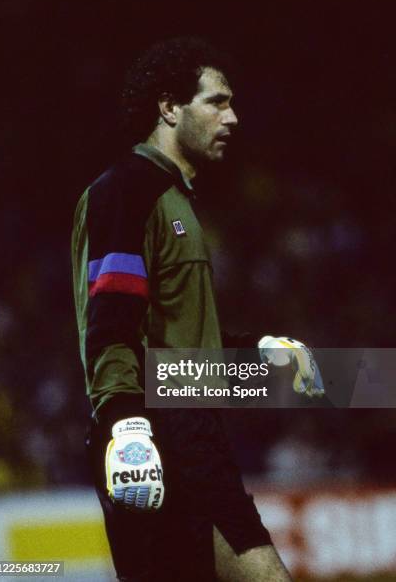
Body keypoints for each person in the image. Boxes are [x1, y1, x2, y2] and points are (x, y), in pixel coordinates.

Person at [72, 36, 317, 581]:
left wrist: (254, 351)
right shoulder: (129, 190)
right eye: (217, 101)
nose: (233, 117)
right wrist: (125, 425)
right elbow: (112, 317)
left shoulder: (173, 197)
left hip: (191, 427)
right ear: (168, 107)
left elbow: (179, 338)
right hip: (154, 433)